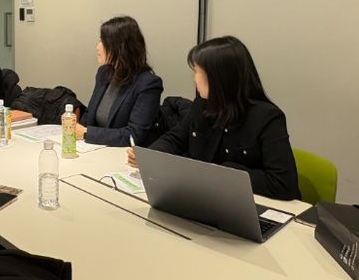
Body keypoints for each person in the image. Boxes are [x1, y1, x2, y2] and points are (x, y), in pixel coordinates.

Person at [127, 36, 300, 201]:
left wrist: (225, 173)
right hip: (206, 199)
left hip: (249, 204)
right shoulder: (202, 105)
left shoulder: (267, 118)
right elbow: (176, 139)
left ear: (219, 78)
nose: (194, 79)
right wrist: (147, 156)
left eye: (197, 72)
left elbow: (283, 184)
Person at [76, 16, 163, 147]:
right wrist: (75, 127)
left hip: (124, 155)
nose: (97, 47)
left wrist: (87, 133)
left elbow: (134, 135)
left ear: (119, 48)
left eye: (103, 42)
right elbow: (90, 113)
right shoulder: (104, 73)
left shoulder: (148, 84)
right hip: (95, 149)